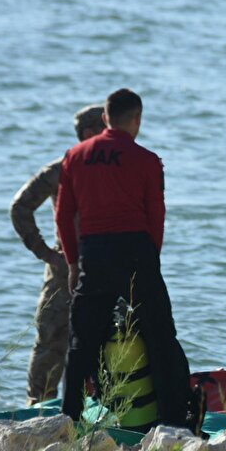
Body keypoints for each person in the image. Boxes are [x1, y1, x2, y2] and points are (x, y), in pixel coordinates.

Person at [55, 89, 194, 428]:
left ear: (104, 118)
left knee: (80, 343)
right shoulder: (147, 160)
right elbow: (155, 218)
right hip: (136, 252)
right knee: (161, 337)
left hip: (95, 253)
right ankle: (173, 419)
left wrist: (74, 263)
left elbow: (63, 216)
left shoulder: (75, 155)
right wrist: (151, 263)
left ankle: (67, 418)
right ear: (137, 119)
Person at [11, 105, 105, 404]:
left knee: (103, 344)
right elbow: (20, 207)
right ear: (90, 133)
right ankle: (38, 410)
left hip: (102, 267)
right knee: (51, 342)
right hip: (64, 269)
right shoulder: (61, 169)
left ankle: (93, 409)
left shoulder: (111, 169)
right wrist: (43, 252)